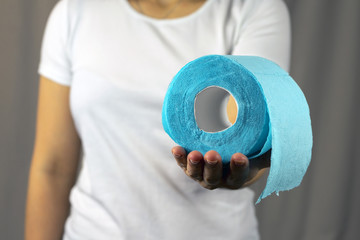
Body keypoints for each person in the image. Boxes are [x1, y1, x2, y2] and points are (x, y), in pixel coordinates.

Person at [25, 0, 290, 239]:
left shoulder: (253, 9)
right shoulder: (76, 11)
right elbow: (53, 168)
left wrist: (240, 172)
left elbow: (248, 140)